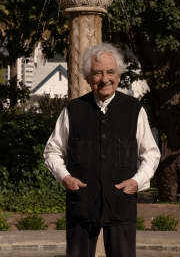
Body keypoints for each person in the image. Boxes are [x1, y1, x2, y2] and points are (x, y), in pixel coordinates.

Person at [44, 43, 161, 257]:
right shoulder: (73, 110)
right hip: (82, 205)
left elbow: (151, 154)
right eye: (97, 73)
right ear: (88, 77)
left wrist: (137, 181)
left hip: (121, 204)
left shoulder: (134, 110)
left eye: (110, 72)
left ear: (119, 75)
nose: (105, 78)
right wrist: (65, 177)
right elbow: (52, 151)